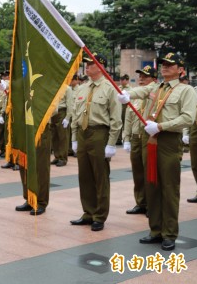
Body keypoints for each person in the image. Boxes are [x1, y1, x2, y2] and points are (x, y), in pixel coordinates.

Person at [118, 52, 196, 251]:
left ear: (180, 69)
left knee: (169, 187)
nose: (165, 67)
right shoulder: (156, 87)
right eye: (163, 64)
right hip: (148, 139)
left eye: (170, 64)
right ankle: (155, 230)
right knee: (151, 184)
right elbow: (140, 92)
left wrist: (162, 126)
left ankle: (169, 233)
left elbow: (187, 118)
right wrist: (126, 95)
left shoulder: (186, 90)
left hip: (167, 139)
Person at [70, 53, 122, 232]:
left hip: (100, 133)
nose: (87, 66)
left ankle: (100, 215)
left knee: (100, 176)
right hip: (84, 133)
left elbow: (116, 119)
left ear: (101, 67)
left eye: (91, 64)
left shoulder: (110, 88)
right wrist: (75, 138)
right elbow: (76, 116)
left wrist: (112, 143)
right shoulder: (83, 88)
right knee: (84, 176)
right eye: (87, 64)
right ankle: (88, 212)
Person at [122, 65, 158, 215]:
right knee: (137, 172)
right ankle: (141, 202)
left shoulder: (155, 92)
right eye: (140, 77)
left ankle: (152, 205)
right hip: (136, 137)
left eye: (146, 77)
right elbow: (129, 119)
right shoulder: (136, 96)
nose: (142, 79)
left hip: (149, 137)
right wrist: (127, 138)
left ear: (154, 79)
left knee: (149, 172)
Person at [50, 87, 73, 167]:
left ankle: (63, 158)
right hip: (53, 113)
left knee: (63, 137)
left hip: (62, 112)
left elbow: (70, 103)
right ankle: (57, 156)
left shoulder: (67, 88)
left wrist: (67, 117)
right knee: (54, 136)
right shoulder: (53, 86)